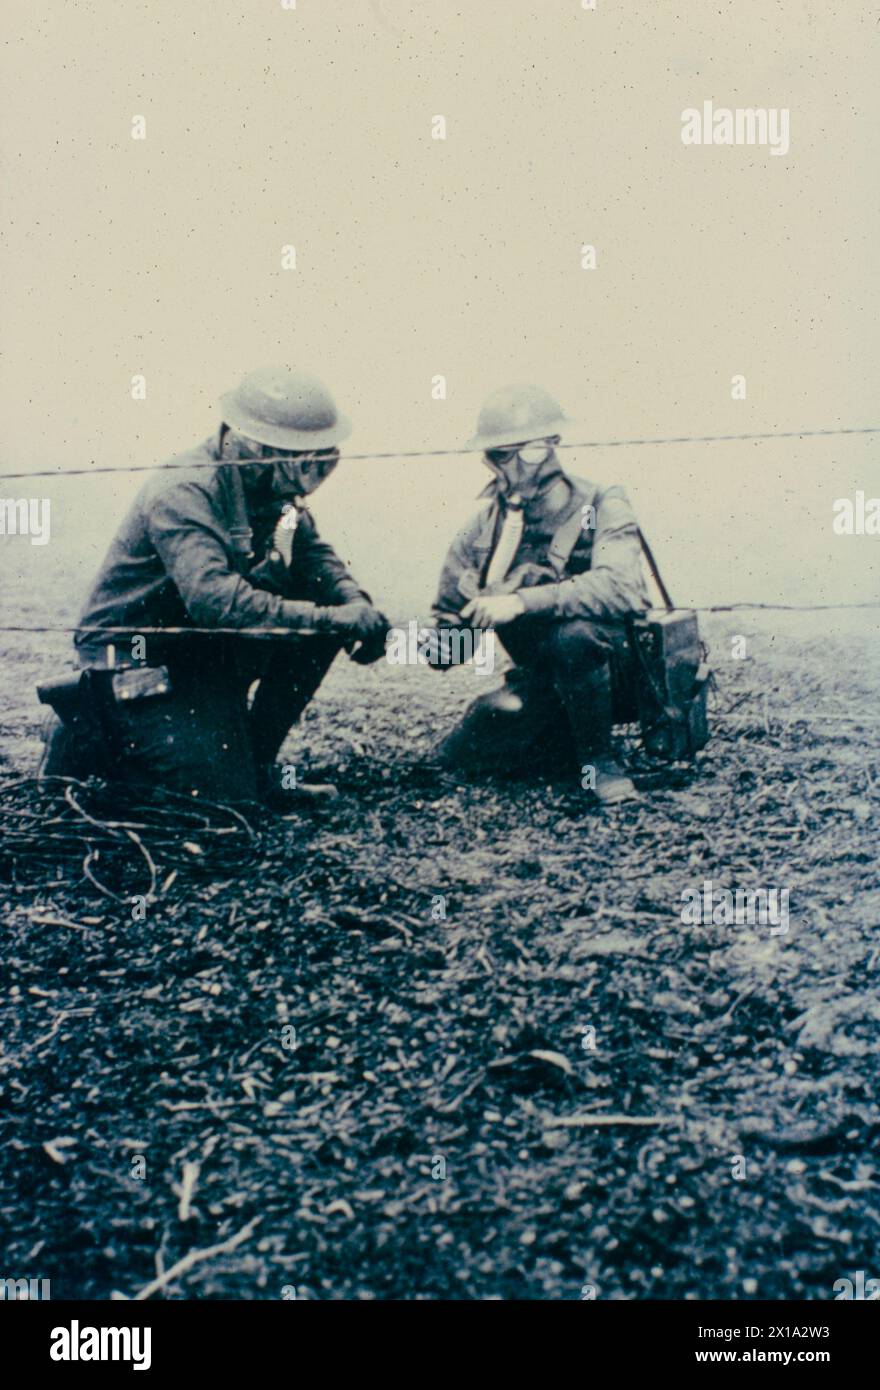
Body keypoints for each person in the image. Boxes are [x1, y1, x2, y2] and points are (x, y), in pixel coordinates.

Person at [39, 366, 388, 805]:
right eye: (305, 459)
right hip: (139, 656)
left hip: (200, 652)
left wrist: (356, 608)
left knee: (319, 633)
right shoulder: (187, 488)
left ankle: (256, 764)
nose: (316, 474)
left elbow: (314, 555)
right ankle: (90, 727)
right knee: (221, 806)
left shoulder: (268, 487)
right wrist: (333, 616)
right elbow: (215, 602)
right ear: (256, 445)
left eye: (325, 459)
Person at [427, 384, 650, 805]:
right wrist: (438, 640)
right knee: (469, 747)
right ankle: (561, 741)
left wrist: (520, 602)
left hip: (618, 674)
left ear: (552, 445)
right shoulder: (482, 532)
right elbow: (450, 635)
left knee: (575, 634)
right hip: (544, 680)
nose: (513, 467)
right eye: (499, 455)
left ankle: (598, 761)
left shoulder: (602, 503)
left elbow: (622, 588)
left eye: (526, 451)